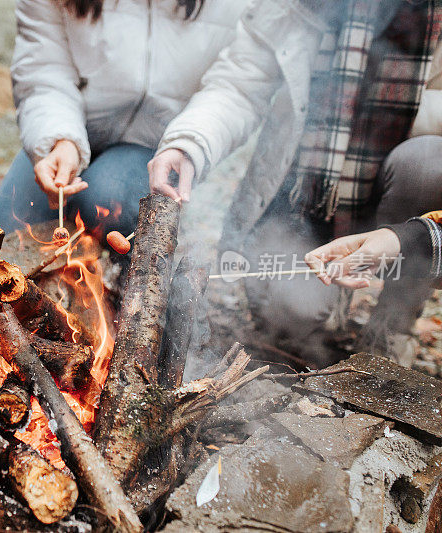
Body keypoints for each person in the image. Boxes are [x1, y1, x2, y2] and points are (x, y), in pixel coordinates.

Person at [157, 0, 442, 365]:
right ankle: (319, 291)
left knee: (430, 165)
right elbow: (239, 85)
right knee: (292, 319)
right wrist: (189, 143)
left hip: (398, 194)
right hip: (305, 198)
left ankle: (393, 323)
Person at [0, 0, 251, 243]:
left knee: (102, 199)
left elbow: (238, 84)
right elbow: (43, 69)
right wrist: (59, 139)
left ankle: (123, 280)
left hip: (157, 145)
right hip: (70, 126)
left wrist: (187, 143)